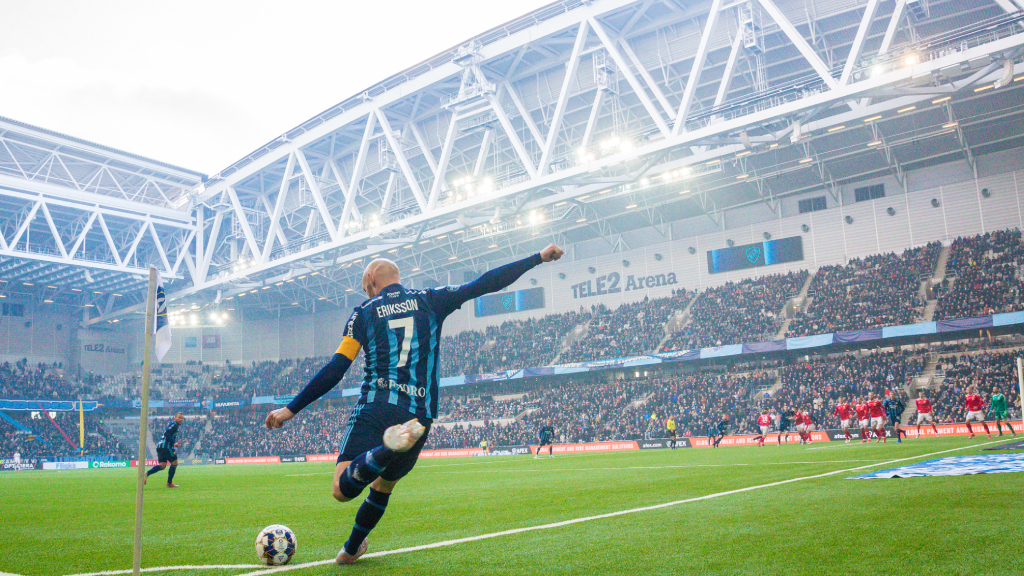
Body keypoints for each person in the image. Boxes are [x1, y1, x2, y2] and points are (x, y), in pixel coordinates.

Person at [265, 245, 564, 564]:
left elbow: (336, 368)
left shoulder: (363, 313)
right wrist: (537, 258)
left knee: (342, 488)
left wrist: (290, 409)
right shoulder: (430, 299)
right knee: (384, 485)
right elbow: (486, 282)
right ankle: (351, 550)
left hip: (375, 406)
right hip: (417, 415)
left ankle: (384, 451)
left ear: (370, 278)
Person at [146, 413, 184, 487]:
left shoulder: (172, 424)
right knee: (174, 463)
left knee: (162, 465)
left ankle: (147, 473)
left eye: (182, 418)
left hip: (160, 446)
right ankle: (169, 483)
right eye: (179, 418)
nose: (181, 419)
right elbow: (167, 433)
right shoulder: (174, 425)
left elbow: (167, 434)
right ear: (175, 418)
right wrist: (174, 443)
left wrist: (174, 443)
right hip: (166, 446)